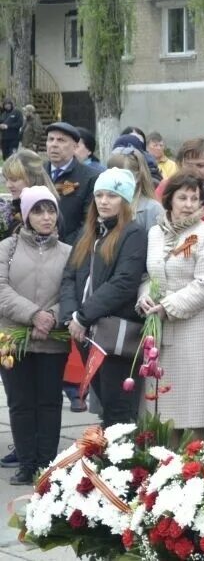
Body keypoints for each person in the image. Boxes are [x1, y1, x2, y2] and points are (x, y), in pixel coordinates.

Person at [138, 173, 204, 444]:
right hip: (159, 327)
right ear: (169, 200)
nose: (188, 204)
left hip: (194, 328)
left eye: (194, 198)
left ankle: (192, 469)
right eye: (182, 197)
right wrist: (145, 298)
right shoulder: (154, 233)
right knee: (160, 406)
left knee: (190, 407)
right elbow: (148, 275)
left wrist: (168, 306)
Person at [61, 168, 147, 427]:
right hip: (85, 334)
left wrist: (83, 315)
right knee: (105, 403)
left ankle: (121, 463)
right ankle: (108, 459)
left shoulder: (133, 234)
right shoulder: (88, 234)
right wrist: (70, 316)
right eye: (99, 195)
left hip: (113, 335)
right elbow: (69, 277)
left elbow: (123, 283)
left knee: (118, 406)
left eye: (112, 195)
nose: (104, 201)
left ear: (125, 200)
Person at [0, 187, 71, 485]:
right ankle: (27, 463)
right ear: (26, 215)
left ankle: (47, 464)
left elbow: (72, 291)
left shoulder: (68, 252)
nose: (46, 217)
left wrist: (52, 316)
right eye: (39, 211)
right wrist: (33, 315)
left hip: (52, 340)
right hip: (14, 338)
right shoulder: (8, 248)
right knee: (20, 402)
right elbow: (1, 288)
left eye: (51, 210)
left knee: (49, 402)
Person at [43, 122, 100, 245]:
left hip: (70, 249)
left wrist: (63, 246)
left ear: (75, 146)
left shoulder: (90, 177)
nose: (54, 145)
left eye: (61, 140)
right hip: (38, 250)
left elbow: (88, 222)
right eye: (50, 139)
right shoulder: (37, 172)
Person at [0, 150, 58, 243]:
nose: (8, 185)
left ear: (32, 179)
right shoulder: (16, 207)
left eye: (14, 180)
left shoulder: (47, 213)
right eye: (7, 179)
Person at [107, 147, 163, 232]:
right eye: (110, 175)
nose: (115, 180)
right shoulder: (103, 203)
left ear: (137, 177)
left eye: (122, 175)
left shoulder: (152, 209)